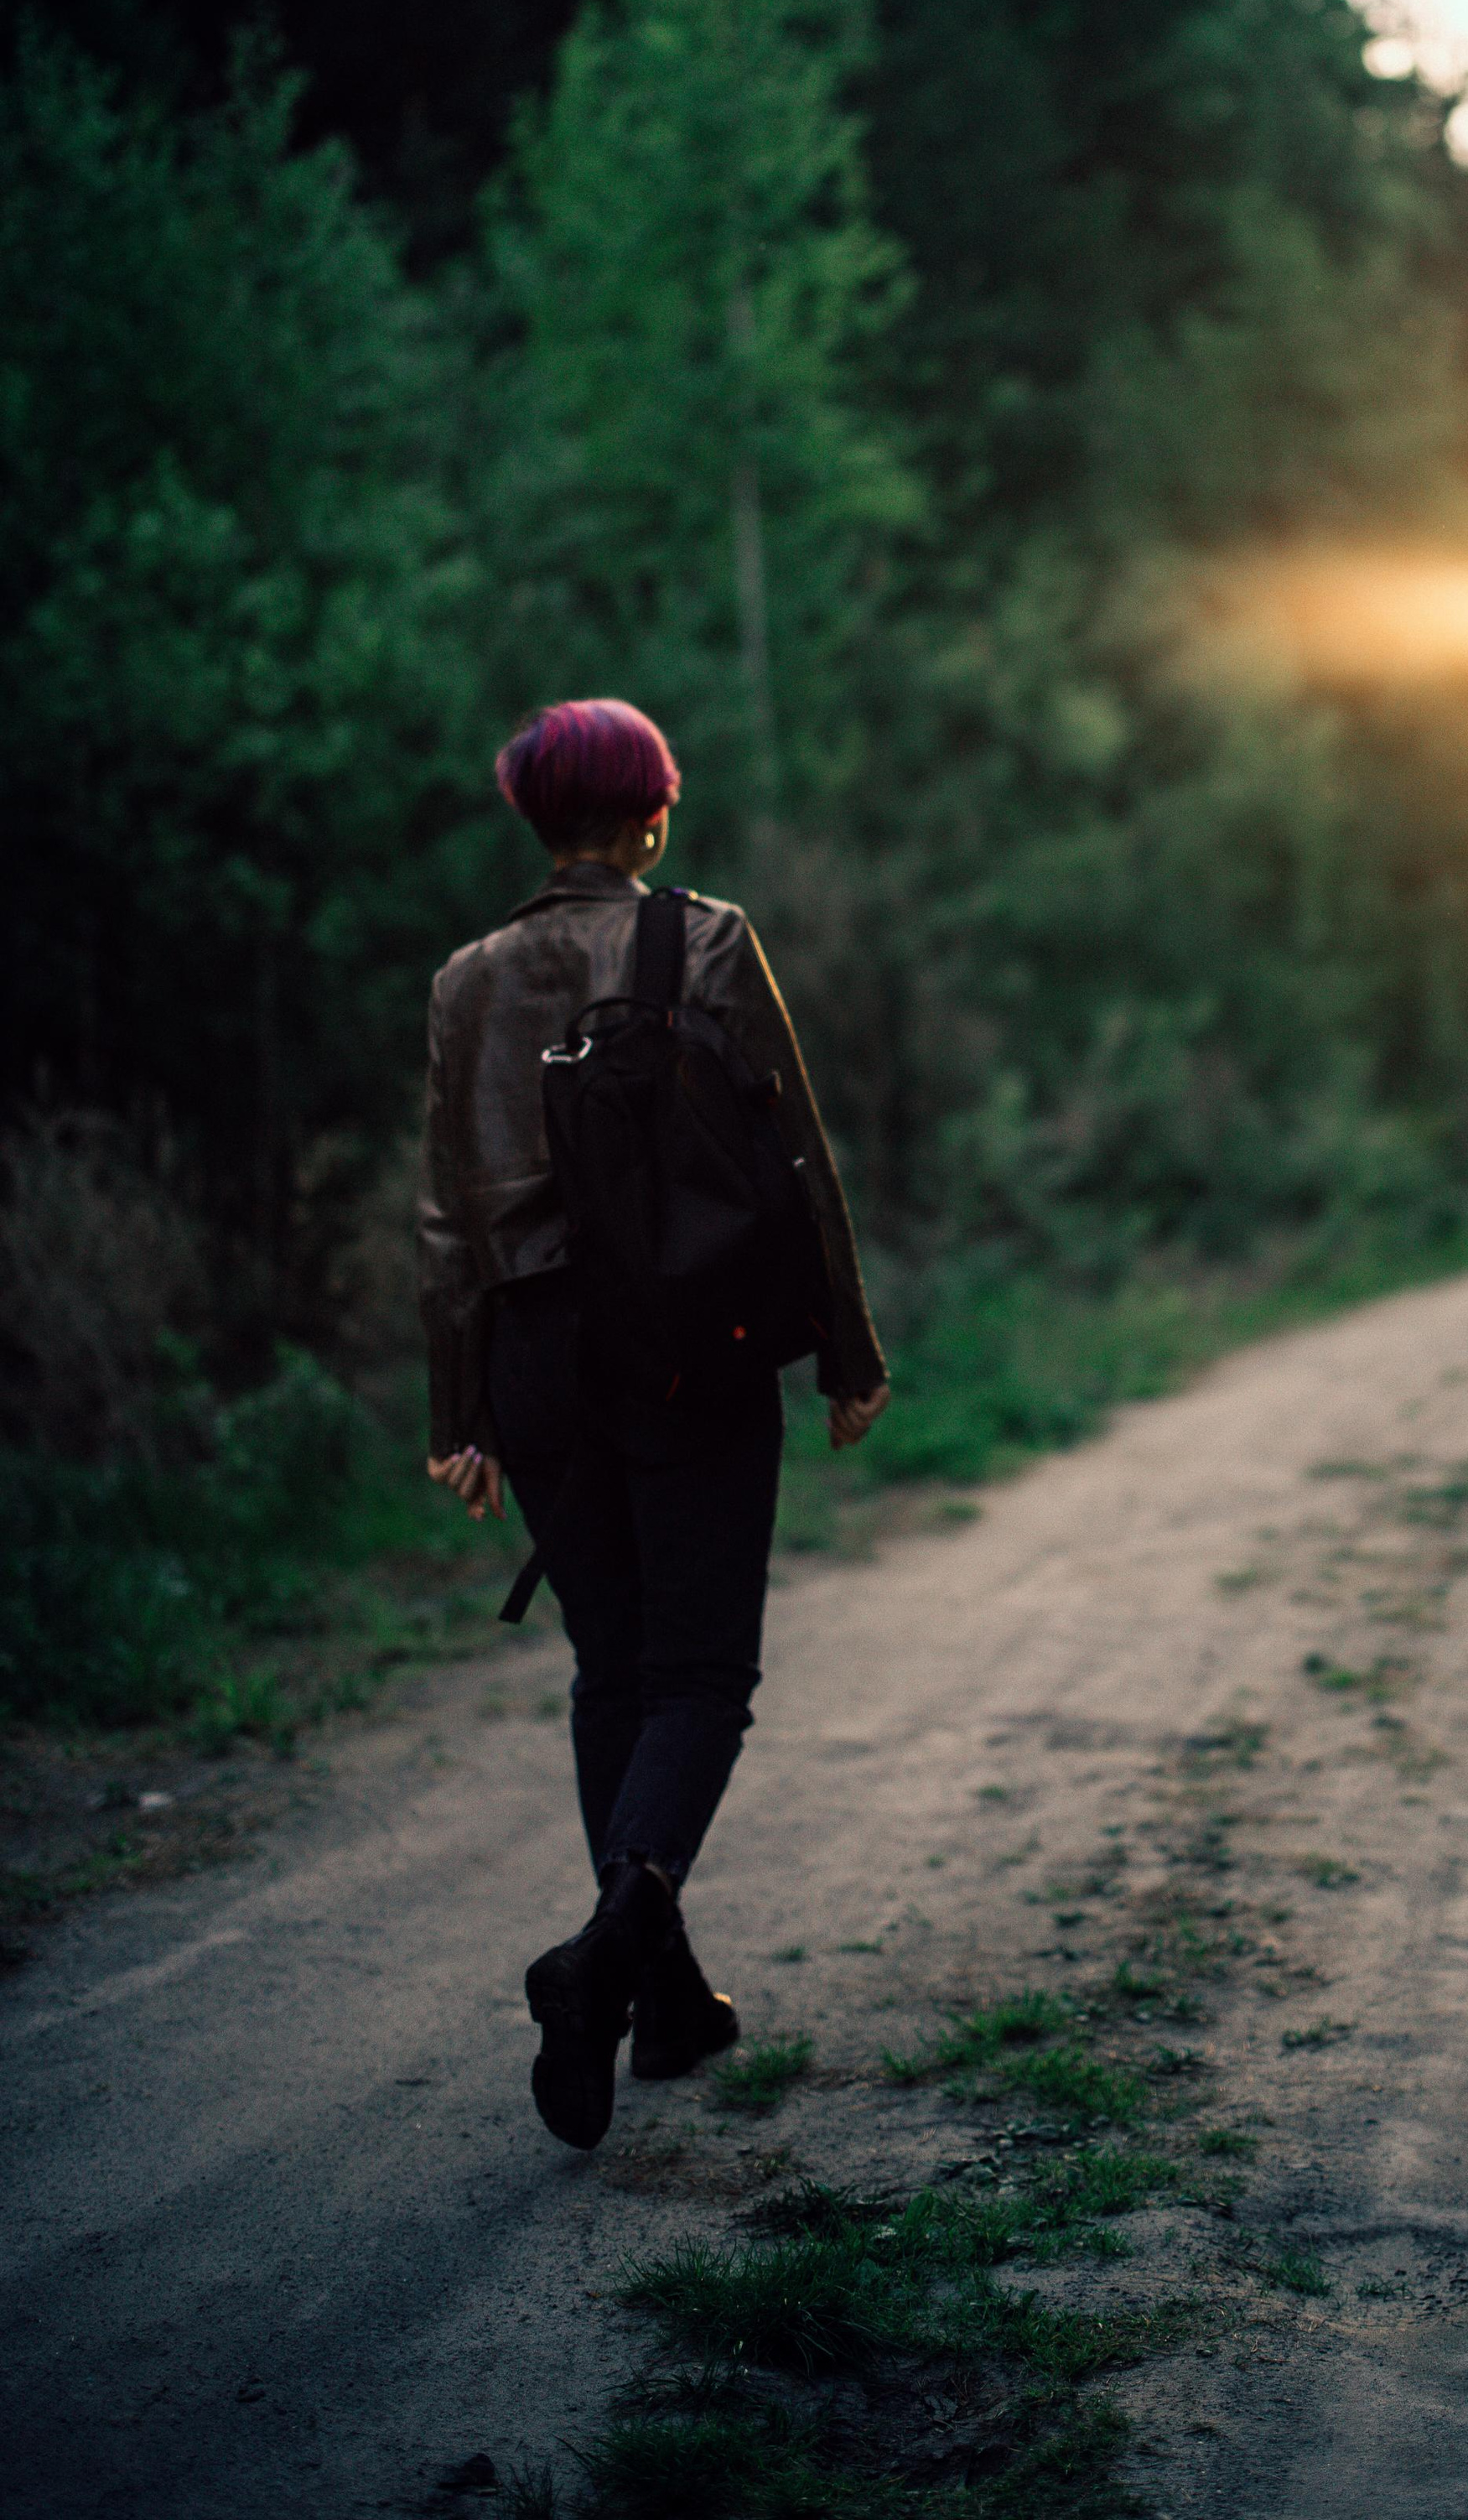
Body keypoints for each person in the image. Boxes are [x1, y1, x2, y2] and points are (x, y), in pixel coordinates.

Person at [418, 697, 889, 2150]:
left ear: (533, 820)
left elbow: (446, 1218)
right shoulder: (708, 938)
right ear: (654, 813)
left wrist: (463, 1410)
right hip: (692, 1345)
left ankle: (663, 2004)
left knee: (610, 1674)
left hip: (541, 1363)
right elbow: (792, 1150)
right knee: (697, 1680)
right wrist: (847, 1350)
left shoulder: (466, 980)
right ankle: (612, 1957)